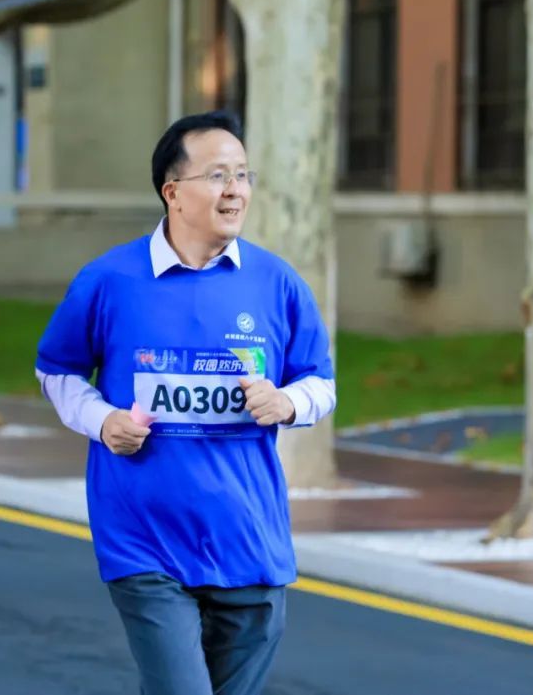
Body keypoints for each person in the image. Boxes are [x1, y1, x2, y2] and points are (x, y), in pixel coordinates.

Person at [35, 110, 335, 695]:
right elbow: (56, 369)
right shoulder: (110, 279)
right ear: (172, 192)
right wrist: (103, 420)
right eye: (218, 175)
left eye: (243, 175)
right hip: (143, 538)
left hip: (248, 539)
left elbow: (320, 382)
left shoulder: (276, 283)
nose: (235, 190)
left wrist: (286, 403)